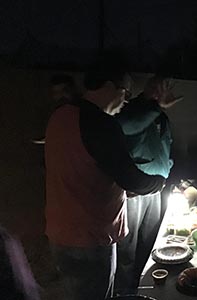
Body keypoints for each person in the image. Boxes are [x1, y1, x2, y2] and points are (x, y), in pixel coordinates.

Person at [44, 57, 165, 300]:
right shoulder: (100, 123)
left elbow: (84, 167)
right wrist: (158, 183)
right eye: (126, 91)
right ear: (109, 86)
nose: (126, 100)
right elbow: (131, 179)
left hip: (60, 234)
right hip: (90, 238)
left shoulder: (60, 115)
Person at [114, 76, 182, 294]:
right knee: (128, 246)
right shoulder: (131, 110)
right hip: (134, 191)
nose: (165, 91)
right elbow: (129, 127)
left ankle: (143, 287)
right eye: (161, 87)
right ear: (149, 89)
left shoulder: (161, 116)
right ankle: (125, 291)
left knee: (151, 240)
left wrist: (167, 171)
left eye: (168, 87)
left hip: (156, 189)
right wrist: (155, 106)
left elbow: (165, 146)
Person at [32, 74, 78, 145]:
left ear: (73, 90)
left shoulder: (82, 114)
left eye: (65, 91)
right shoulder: (56, 115)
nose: (61, 95)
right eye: (56, 93)